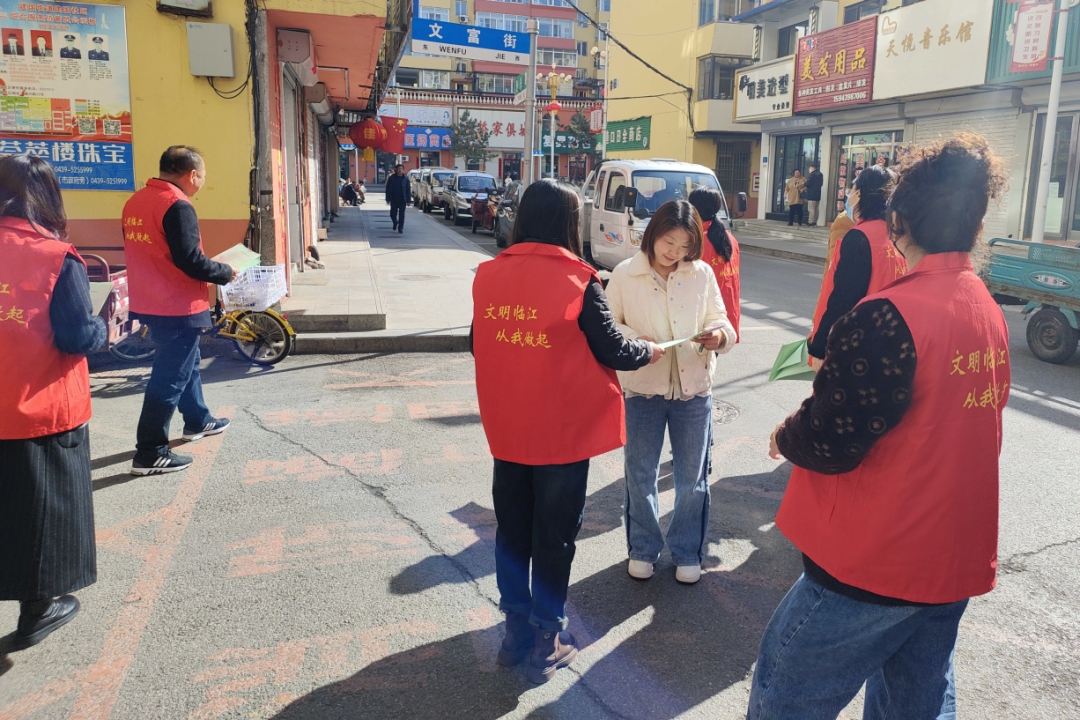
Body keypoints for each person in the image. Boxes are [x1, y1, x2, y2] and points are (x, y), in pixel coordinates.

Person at [749, 133, 1010, 720]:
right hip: (952, 556)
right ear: (975, 224)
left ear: (899, 221)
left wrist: (786, 434)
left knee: (784, 699)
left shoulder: (888, 317)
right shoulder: (984, 307)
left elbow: (832, 438)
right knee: (915, 704)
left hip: (875, 560)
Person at [471, 179, 661, 684]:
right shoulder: (579, 280)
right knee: (554, 538)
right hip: (561, 435)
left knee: (513, 532)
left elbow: (477, 343)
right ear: (567, 223)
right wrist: (649, 350)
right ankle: (547, 637)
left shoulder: (489, 274)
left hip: (509, 430)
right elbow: (614, 350)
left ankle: (514, 634)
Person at [0, 155, 106, 650]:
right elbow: (77, 335)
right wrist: (105, 325)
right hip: (36, 408)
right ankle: (40, 606)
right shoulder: (54, 256)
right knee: (42, 515)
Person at [606, 200, 736, 585]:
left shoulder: (701, 274)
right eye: (668, 242)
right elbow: (609, 326)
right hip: (642, 388)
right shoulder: (625, 274)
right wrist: (638, 342)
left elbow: (721, 320)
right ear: (653, 234)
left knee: (692, 478)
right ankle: (643, 550)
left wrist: (719, 337)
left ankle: (686, 552)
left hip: (694, 389)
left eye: (684, 246)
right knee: (640, 474)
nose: (674, 252)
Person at [124, 146, 236, 476]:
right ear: (192, 175)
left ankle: (198, 419)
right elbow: (190, 260)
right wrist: (225, 272)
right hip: (177, 303)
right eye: (203, 177)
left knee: (186, 364)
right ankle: (150, 452)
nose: (201, 183)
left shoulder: (136, 201)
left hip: (150, 299)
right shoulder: (177, 205)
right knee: (169, 377)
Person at [807, 165, 907, 367]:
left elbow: (843, 298)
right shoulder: (898, 236)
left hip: (856, 346)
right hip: (890, 342)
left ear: (859, 194)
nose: (849, 196)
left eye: (851, 190)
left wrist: (820, 346)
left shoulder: (860, 237)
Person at [689, 187, 741, 340]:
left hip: (707, 314)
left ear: (693, 209)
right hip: (726, 311)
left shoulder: (697, 241)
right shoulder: (729, 238)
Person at [385, 164, 410, 233]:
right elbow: (388, 189)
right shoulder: (392, 178)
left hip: (402, 199)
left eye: (401, 168)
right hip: (394, 199)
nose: (400, 170)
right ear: (396, 169)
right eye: (398, 168)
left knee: (402, 214)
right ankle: (395, 222)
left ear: (403, 170)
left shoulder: (406, 179)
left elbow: (408, 190)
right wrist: (387, 199)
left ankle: (400, 228)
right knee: (392, 213)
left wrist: (408, 200)